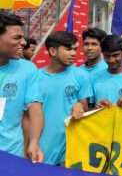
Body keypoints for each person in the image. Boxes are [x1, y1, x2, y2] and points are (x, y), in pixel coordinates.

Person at [38, 31, 91, 165]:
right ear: (53, 51)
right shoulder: (35, 78)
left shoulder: (81, 76)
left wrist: (79, 105)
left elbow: (84, 105)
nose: (73, 53)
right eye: (68, 49)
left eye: (75, 49)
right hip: (41, 149)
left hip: (69, 150)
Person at [0, 12, 44, 162]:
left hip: (11, 154)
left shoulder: (28, 69)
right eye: (16, 37)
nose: (24, 42)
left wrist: (34, 142)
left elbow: (34, 109)